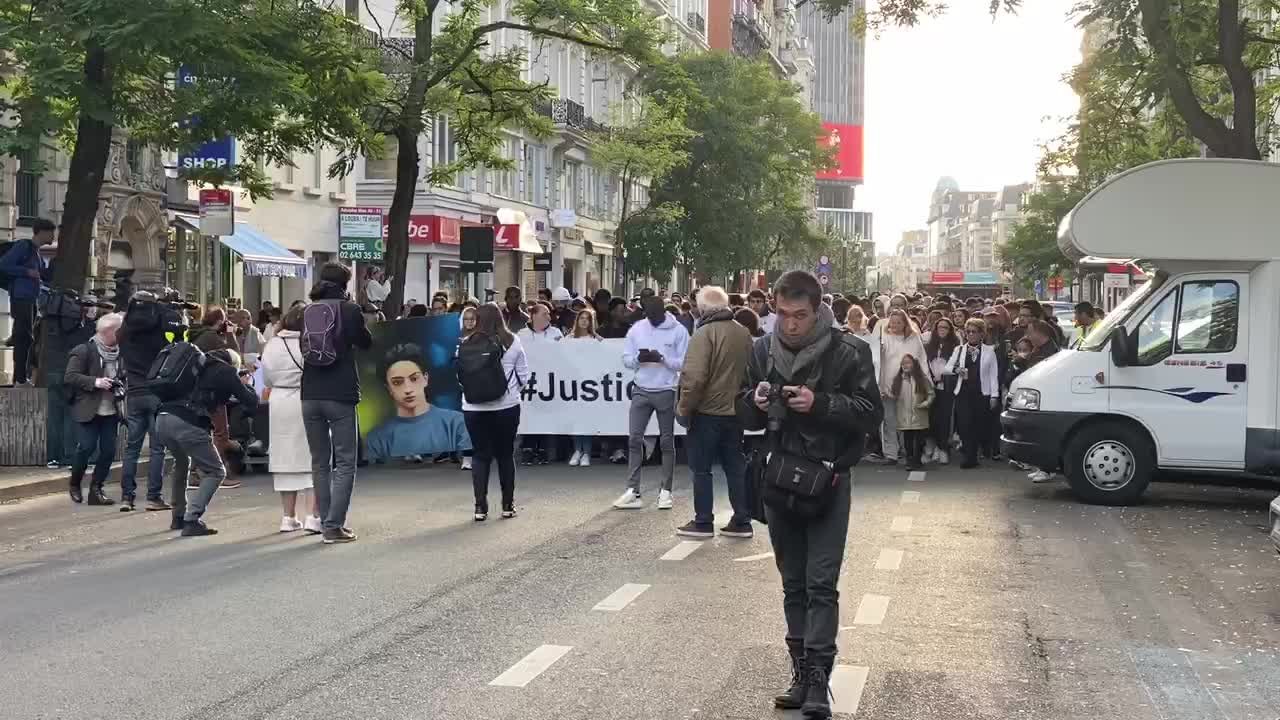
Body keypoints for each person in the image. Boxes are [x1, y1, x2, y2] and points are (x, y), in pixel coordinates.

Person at [737, 271, 881, 720]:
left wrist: (819, 403)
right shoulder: (762, 349)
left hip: (828, 479)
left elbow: (871, 413)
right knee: (793, 581)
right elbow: (740, 406)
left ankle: (819, 678)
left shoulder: (849, 350)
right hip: (778, 476)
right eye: (782, 314)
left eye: (800, 315)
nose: (790, 324)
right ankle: (800, 672)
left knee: (821, 582)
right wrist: (757, 401)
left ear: (819, 309)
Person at [301, 263, 374, 544]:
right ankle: (334, 526)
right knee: (345, 462)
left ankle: (323, 521)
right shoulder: (349, 310)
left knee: (319, 462)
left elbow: (304, 349)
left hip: (310, 393)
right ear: (346, 283)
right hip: (340, 393)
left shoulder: (308, 311)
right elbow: (366, 342)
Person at [674, 286, 754, 539]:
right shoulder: (743, 333)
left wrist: (684, 409)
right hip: (735, 409)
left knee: (701, 468)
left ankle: (703, 521)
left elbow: (694, 378)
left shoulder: (704, 333)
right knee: (734, 465)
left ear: (705, 308)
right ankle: (742, 519)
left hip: (707, 411)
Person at [155, 348, 260, 536]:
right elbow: (250, 401)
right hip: (187, 423)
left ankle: (177, 516)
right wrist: (245, 384)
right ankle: (192, 518)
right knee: (215, 471)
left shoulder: (195, 362)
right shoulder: (226, 371)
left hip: (162, 418)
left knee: (182, 463)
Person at [613, 294, 690, 511]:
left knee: (667, 442)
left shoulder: (679, 331)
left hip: (666, 389)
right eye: (649, 314)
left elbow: (685, 363)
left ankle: (666, 491)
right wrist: (639, 359)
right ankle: (632, 490)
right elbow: (626, 359)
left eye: (656, 314)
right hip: (641, 389)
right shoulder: (637, 329)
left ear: (663, 311)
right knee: (634, 439)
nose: (653, 318)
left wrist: (663, 359)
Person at [117, 291, 186, 511]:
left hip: (134, 393)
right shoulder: (161, 325)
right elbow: (179, 344)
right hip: (157, 392)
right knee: (157, 449)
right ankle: (153, 497)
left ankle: (127, 497)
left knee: (132, 449)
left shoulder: (124, 330)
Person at [460, 304, 529, 521]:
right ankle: (507, 505)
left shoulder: (466, 342)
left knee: (480, 455)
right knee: (505, 455)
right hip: (506, 407)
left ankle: (480, 507)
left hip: (473, 407)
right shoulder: (512, 342)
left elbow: (459, 377)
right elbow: (524, 376)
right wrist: (509, 391)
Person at [261, 306, 322, 534]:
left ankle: (288, 518)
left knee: (285, 459)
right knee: (313, 456)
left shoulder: (273, 344)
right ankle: (313, 517)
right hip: (306, 398)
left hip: (279, 401)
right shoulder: (311, 342)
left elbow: (266, 377)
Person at [365, 343, 472, 463]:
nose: (408, 389)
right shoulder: (377, 438)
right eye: (397, 382)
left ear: (425, 379)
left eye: (414, 379)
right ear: (388, 388)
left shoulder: (456, 423)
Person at [63, 313, 126, 506]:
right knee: (86, 448)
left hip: (111, 410)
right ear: (110, 332)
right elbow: (70, 377)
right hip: (88, 408)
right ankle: (75, 483)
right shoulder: (84, 350)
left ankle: (96, 490)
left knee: (108, 451)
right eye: (121, 330)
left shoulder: (121, 351)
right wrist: (96, 382)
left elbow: (123, 374)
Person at [870, 309, 928, 466]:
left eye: (898, 322)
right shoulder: (885, 338)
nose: (894, 325)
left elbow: (921, 360)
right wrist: (879, 385)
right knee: (889, 420)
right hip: (887, 384)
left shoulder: (914, 338)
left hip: (909, 384)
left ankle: (907, 451)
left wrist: (925, 382)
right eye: (892, 322)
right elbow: (877, 362)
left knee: (908, 420)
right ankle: (891, 453)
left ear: (905, 323)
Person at [1, 218, 54, 384]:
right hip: (21, 298)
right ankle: (20, 379)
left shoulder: (36, 253)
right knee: (25, 337)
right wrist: (27, 272)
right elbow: (3, 265)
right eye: (51, 232)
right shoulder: (24, 246)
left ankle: (21, 378)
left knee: (25, 337)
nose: (53, 236)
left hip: (30, 299)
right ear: (42, 232)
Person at [944, 318, 1001, 469]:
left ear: (981, 334)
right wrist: (957, 370)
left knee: (978, 425)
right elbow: (947, 368)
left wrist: (994, 395)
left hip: (982, 393)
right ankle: (969, 456)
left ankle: (976, 452)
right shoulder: (959, 350)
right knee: (964, 424)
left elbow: (993, 375)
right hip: (963, 392)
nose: (970, 335)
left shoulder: (989, 351)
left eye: (974, 332)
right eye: (968, 332)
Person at [922, 317, 959, 464]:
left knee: (944, 419)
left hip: (947, 387)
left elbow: (955, 367)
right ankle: (930, 446)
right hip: (931, 386)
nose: (942, 330)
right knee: (930, 417)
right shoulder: (928, 346)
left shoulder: (956, 347)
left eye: (945, 328)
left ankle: (943, 448)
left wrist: (944, 377)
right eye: (940, 327)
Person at [890, 353, 935, 471]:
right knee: (908, 440)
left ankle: (917, 459)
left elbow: (930, 394)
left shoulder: (922, 379)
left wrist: (925, 404)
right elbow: (894, 395)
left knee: (920, 440)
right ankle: (910, 460)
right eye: (903, 363)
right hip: (904, 415)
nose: (906, 365)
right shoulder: (898, 380)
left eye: (908, 363)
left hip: (919, 414)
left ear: (914, 364)